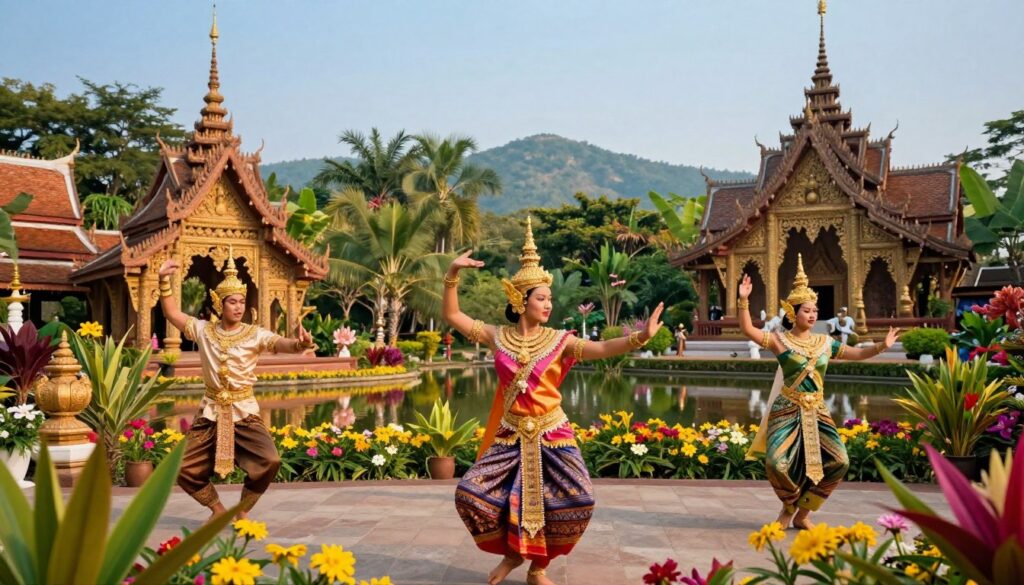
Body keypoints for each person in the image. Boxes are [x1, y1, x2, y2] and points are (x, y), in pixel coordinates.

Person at [443, 218, 664, 585]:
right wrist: (452, 273)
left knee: (578, 500)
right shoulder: (498, 337)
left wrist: (640, 337)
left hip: (552, 433)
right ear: (520, 300)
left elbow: (605, 348)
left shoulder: (560, 340)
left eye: (549, 299)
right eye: (541, 298)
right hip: (510, 435)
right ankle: (513, 555)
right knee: (472, 495)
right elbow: (453, 315)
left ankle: (538, 566)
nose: (548, 304)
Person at [738, 254, 898, 529]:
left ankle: (802, 513)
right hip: (786, 409)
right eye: (806, 311)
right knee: (777, 463)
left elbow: (857, 354)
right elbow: (748, 329)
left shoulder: (826, 343)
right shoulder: (780, 341)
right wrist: (743, 300)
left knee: (839, 461)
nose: (812, 315)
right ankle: (789, 509)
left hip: (817, 412)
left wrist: (881, 346)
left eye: (814, 311)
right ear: (793, 313)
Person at [159, 254, 316, 521]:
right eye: (233, 301)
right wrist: (164, 280)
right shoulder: (203, 330)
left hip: (244, 411)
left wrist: (300, 344)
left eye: (242, 301)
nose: (238, 306)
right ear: (220, 304)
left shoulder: (254, 334)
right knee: (181, 467)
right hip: (210, 413)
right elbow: (172, 312)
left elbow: (280, 344)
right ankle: (218, 510)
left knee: (270, 461)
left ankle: (241, 510)